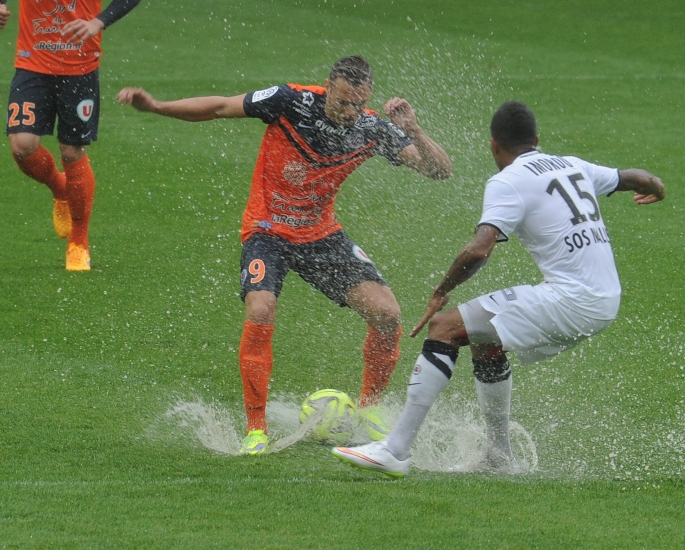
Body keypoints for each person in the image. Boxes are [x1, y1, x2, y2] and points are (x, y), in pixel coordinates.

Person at [117, 55, 453, 455]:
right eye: (341, 102)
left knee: (387, 314)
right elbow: (221, 106)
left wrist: (413, 128)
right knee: (260, 310)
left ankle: (369, 408)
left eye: (356, 104)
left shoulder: (373, 129)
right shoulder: (288, 101)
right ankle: (256, 430)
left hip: (321, 234)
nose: (348, 113)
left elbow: (439, 171)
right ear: (328, 86)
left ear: (367, 98)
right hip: (267, 229)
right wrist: (156, 107)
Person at [332, 100, 665, 477]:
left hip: (572, 299)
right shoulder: (573, 165)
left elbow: (479, 248)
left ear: (494, 145)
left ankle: (395, 450)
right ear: (537, 139)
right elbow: (634, 177)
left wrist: (441, 290)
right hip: (604, 297)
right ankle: (499, 457)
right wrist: (656, 186)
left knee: (443, 327)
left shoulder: (508, 181)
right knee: (484, 339)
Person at [1, 0, 141, 271]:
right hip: (32, 63)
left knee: (71, 151)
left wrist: (98, 22)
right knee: (21, 145)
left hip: (80, 68)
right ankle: (60, 189)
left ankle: (79, 242)